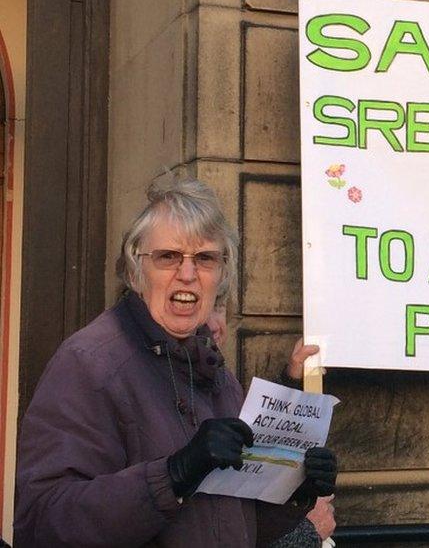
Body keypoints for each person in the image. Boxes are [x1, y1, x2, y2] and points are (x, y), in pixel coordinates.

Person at [15, 179, 338, 547]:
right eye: (168, 256)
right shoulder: (90, 364)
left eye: (205, 259)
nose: (187, 274)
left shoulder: (214, 372)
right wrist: (173, 475)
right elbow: (44, 521)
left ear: (221, 275)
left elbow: (234, 526)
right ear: (136, 271)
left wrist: (295, 491)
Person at [206, 305, 337, 546]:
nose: (213, 325)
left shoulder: (224, 381)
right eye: (201, 306)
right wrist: (309, 531)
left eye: (217, 307)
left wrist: (291, 382)